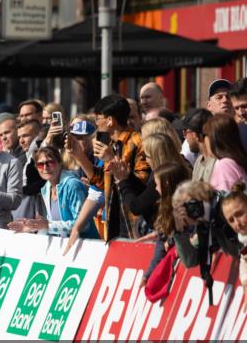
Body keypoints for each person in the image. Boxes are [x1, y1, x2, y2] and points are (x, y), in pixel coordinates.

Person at [74, 95, 150, 241]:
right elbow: (102, 184)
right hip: (113, 225)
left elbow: (143, 186)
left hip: (134, 228)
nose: (96, 123)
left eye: (98, 118)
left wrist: (111, 159)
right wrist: (79, 155)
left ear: (110, 121)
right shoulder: (110, 144)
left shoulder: (139, 143)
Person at [8, 146, 98, 238]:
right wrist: (33, 227)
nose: (45, 167)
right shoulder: (46, 189)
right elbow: (54, 226)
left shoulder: (73, 185)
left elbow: (84, 225)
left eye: (50, 162)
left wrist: (47, 225)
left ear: (60, 163)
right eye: (40, 164)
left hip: (86, 246)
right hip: (66, 246)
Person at [203, 113, 247, 193]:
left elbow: (226, 202)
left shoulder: (225, 166)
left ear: (214, 138)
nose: (203, 140)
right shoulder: (243, 162)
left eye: (204, 135)